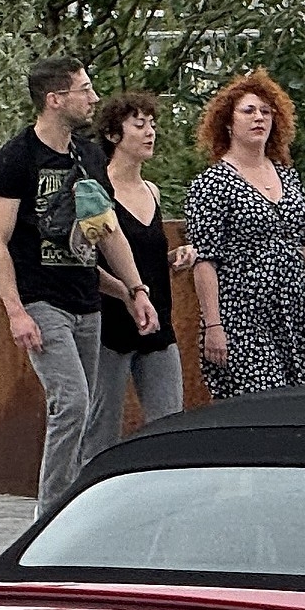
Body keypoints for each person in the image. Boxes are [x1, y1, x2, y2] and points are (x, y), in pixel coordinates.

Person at [0, 58, 160, 517]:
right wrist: (15, 311)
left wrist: (134, 289)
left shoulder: (90, 156)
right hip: (41, 300)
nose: (93, 98)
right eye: (84, 89)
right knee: (72, 402)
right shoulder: (14, 159)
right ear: (55, 99)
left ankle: (79, 510)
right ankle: (50, 516)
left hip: (87, 297)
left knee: (90, 411)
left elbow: (108, 230)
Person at [183, 69, 305, 401]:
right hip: (242, 316)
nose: (259, 118)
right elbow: (205, 260)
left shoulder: (287, 176)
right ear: (228, 122)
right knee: (260, 405)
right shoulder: (212, 183)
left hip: (298, 314)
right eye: (248, 111)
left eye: (266, 111)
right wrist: (213, 326)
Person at [89, 89, 191, 448]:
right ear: (114, 135)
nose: (150, 132)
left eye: (152, 124)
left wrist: (173, 260)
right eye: (139, 125)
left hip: (158, 323)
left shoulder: (153, 191)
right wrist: (129, 293)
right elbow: (89, 263)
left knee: (170, 424)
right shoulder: (95, 191)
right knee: (100, 427)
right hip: (110, 325)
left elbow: (143, 256)